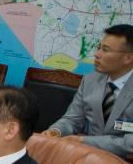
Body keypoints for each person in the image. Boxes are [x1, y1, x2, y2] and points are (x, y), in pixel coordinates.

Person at [45, 24, 133, 155]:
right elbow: (73, 119)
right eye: (99, 48)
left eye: (106, 50)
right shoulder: (90, 80)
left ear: (128, 58)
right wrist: (56, 131)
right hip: (86, 157)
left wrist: (84, 141)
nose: (97, 55)